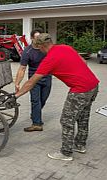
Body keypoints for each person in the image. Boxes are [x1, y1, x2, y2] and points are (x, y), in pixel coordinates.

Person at [16, 33, 99, 161]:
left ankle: (66, 153)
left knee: (66, 120)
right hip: (93, 85)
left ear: (42, 46)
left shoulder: (49, 59)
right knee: (83, 117)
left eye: (39, 48)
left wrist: (16, 95)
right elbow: (84, 62)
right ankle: (80, 145)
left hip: (80, 90)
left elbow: (31, 82)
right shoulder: (66, 47)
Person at [15, 29, 52, 132]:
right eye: (37, 38)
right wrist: (17, 83)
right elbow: (22, 68)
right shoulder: (27, 51)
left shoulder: (45, 49)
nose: (39, 40)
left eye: (40, 38)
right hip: (34, 79)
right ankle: (37, 123)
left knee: (43, 100)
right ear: (31, 38)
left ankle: (35, 114)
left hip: (47, 77)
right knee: (35, 101)